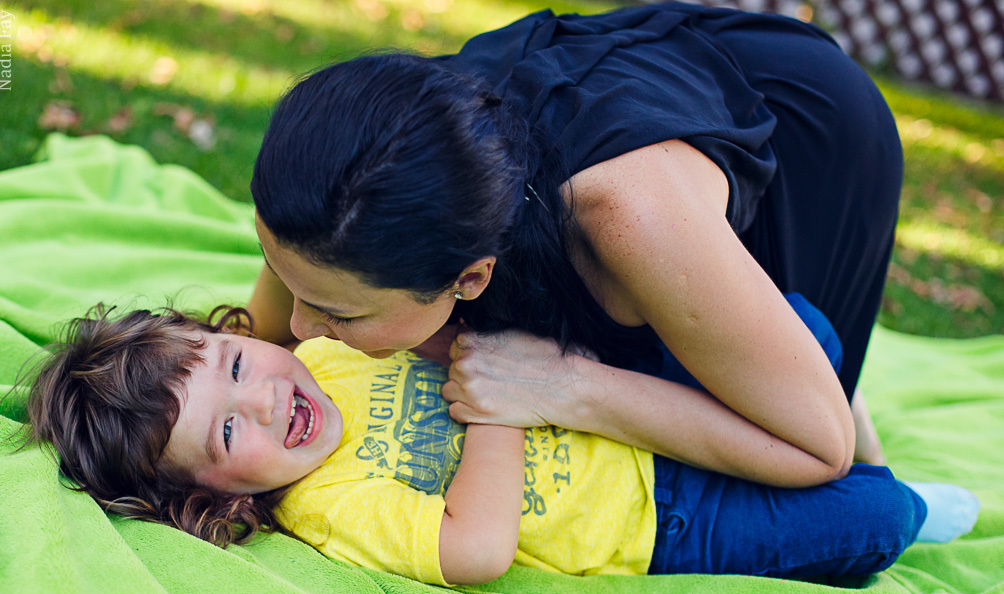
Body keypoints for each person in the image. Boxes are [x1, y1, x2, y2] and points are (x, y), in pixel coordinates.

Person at [248, 2, 904, 491]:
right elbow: (270, 332)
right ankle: (749, 332)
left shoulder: (627, 217)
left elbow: (819, 448)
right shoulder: (342, 191)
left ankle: (775, 344)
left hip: (809, 120)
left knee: (809, 400)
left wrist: (567, 386)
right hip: (631, 85)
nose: (303, 327)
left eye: (341, 313)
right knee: (731, 340)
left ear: (470, 279)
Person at [24, 302, 978, 587]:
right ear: (216, 498)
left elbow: (441, 327)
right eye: (228, 430)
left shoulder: (320, 351)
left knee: (807, 331)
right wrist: (498, 411)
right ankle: (885, 482)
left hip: (638, 405)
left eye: (237, 363)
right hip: (664, 519)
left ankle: (833, 429)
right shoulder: (323, 502)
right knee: (878, 521)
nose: (267, 400)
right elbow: (473, 549)